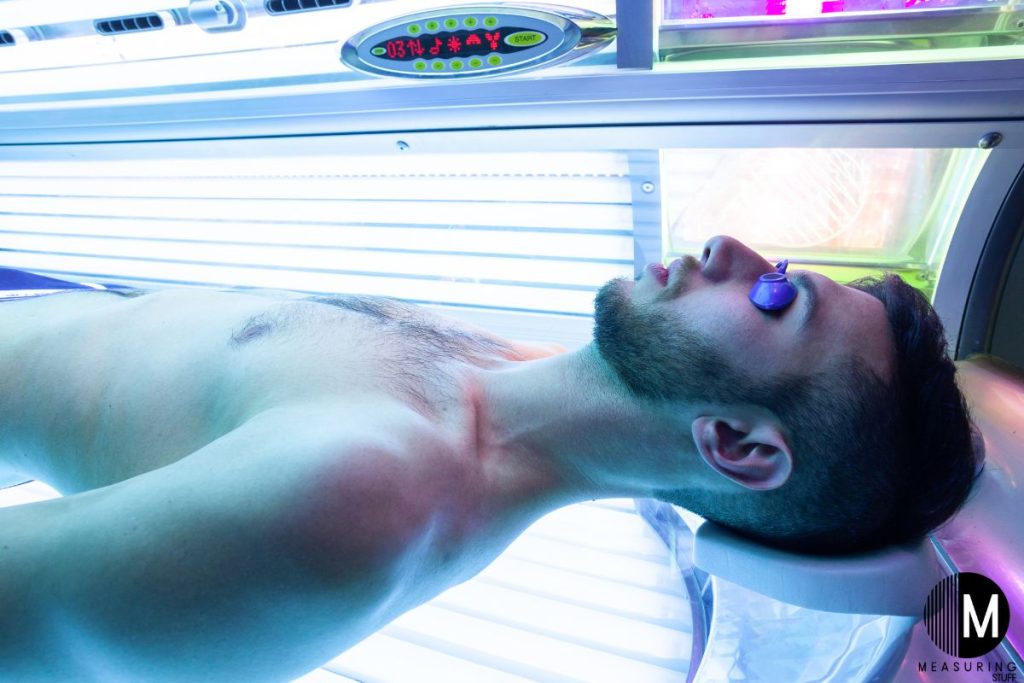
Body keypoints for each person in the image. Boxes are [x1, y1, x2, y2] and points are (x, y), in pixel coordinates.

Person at [0, 235, 980, 682]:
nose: (732, 249)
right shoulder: (511, 366)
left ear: (732, 443)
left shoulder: (355, 500)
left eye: (775, 300)